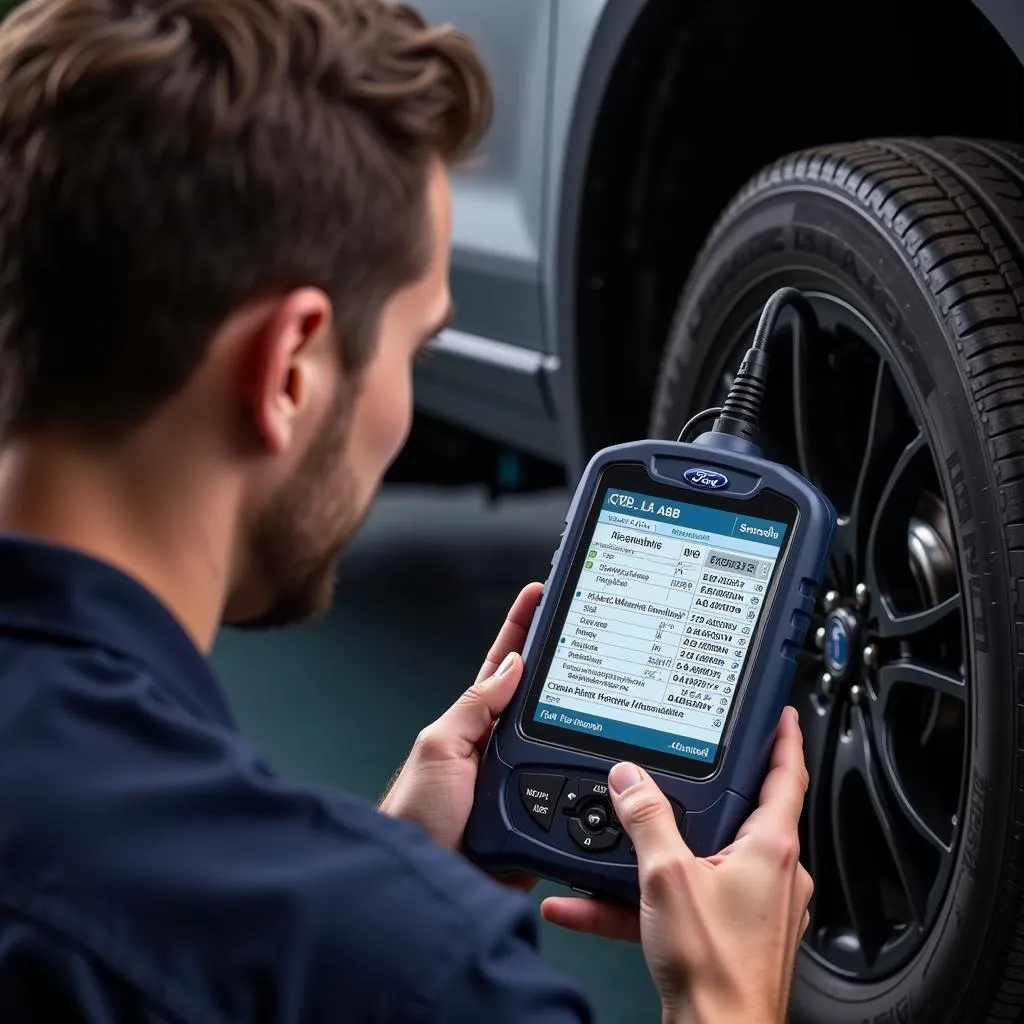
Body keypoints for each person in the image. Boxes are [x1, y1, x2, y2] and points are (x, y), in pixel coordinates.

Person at [0, 0, 813, 1021]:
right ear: (290, 366)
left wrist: (380, 874)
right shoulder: (432, 978)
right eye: (414, 346)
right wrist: (725, 1002)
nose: (406, 403)